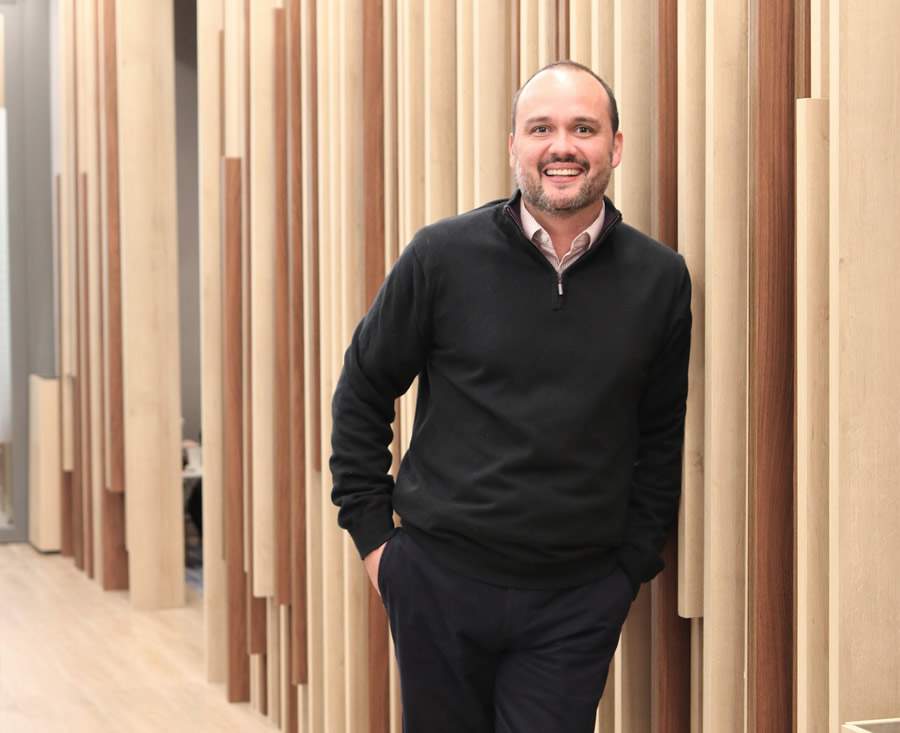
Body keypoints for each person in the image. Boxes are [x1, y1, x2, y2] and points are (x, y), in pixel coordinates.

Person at [330, 60, 692, 733]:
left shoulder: (660, 279)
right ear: (514, 145)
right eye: (541, 128)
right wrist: (379, 545)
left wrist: (629, 569)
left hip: (578, 598)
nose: (562, 146)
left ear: (615, 146)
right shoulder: (441, 256)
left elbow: (661, 435)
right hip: (438, 583)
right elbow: (362, 389)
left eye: (584, 128)